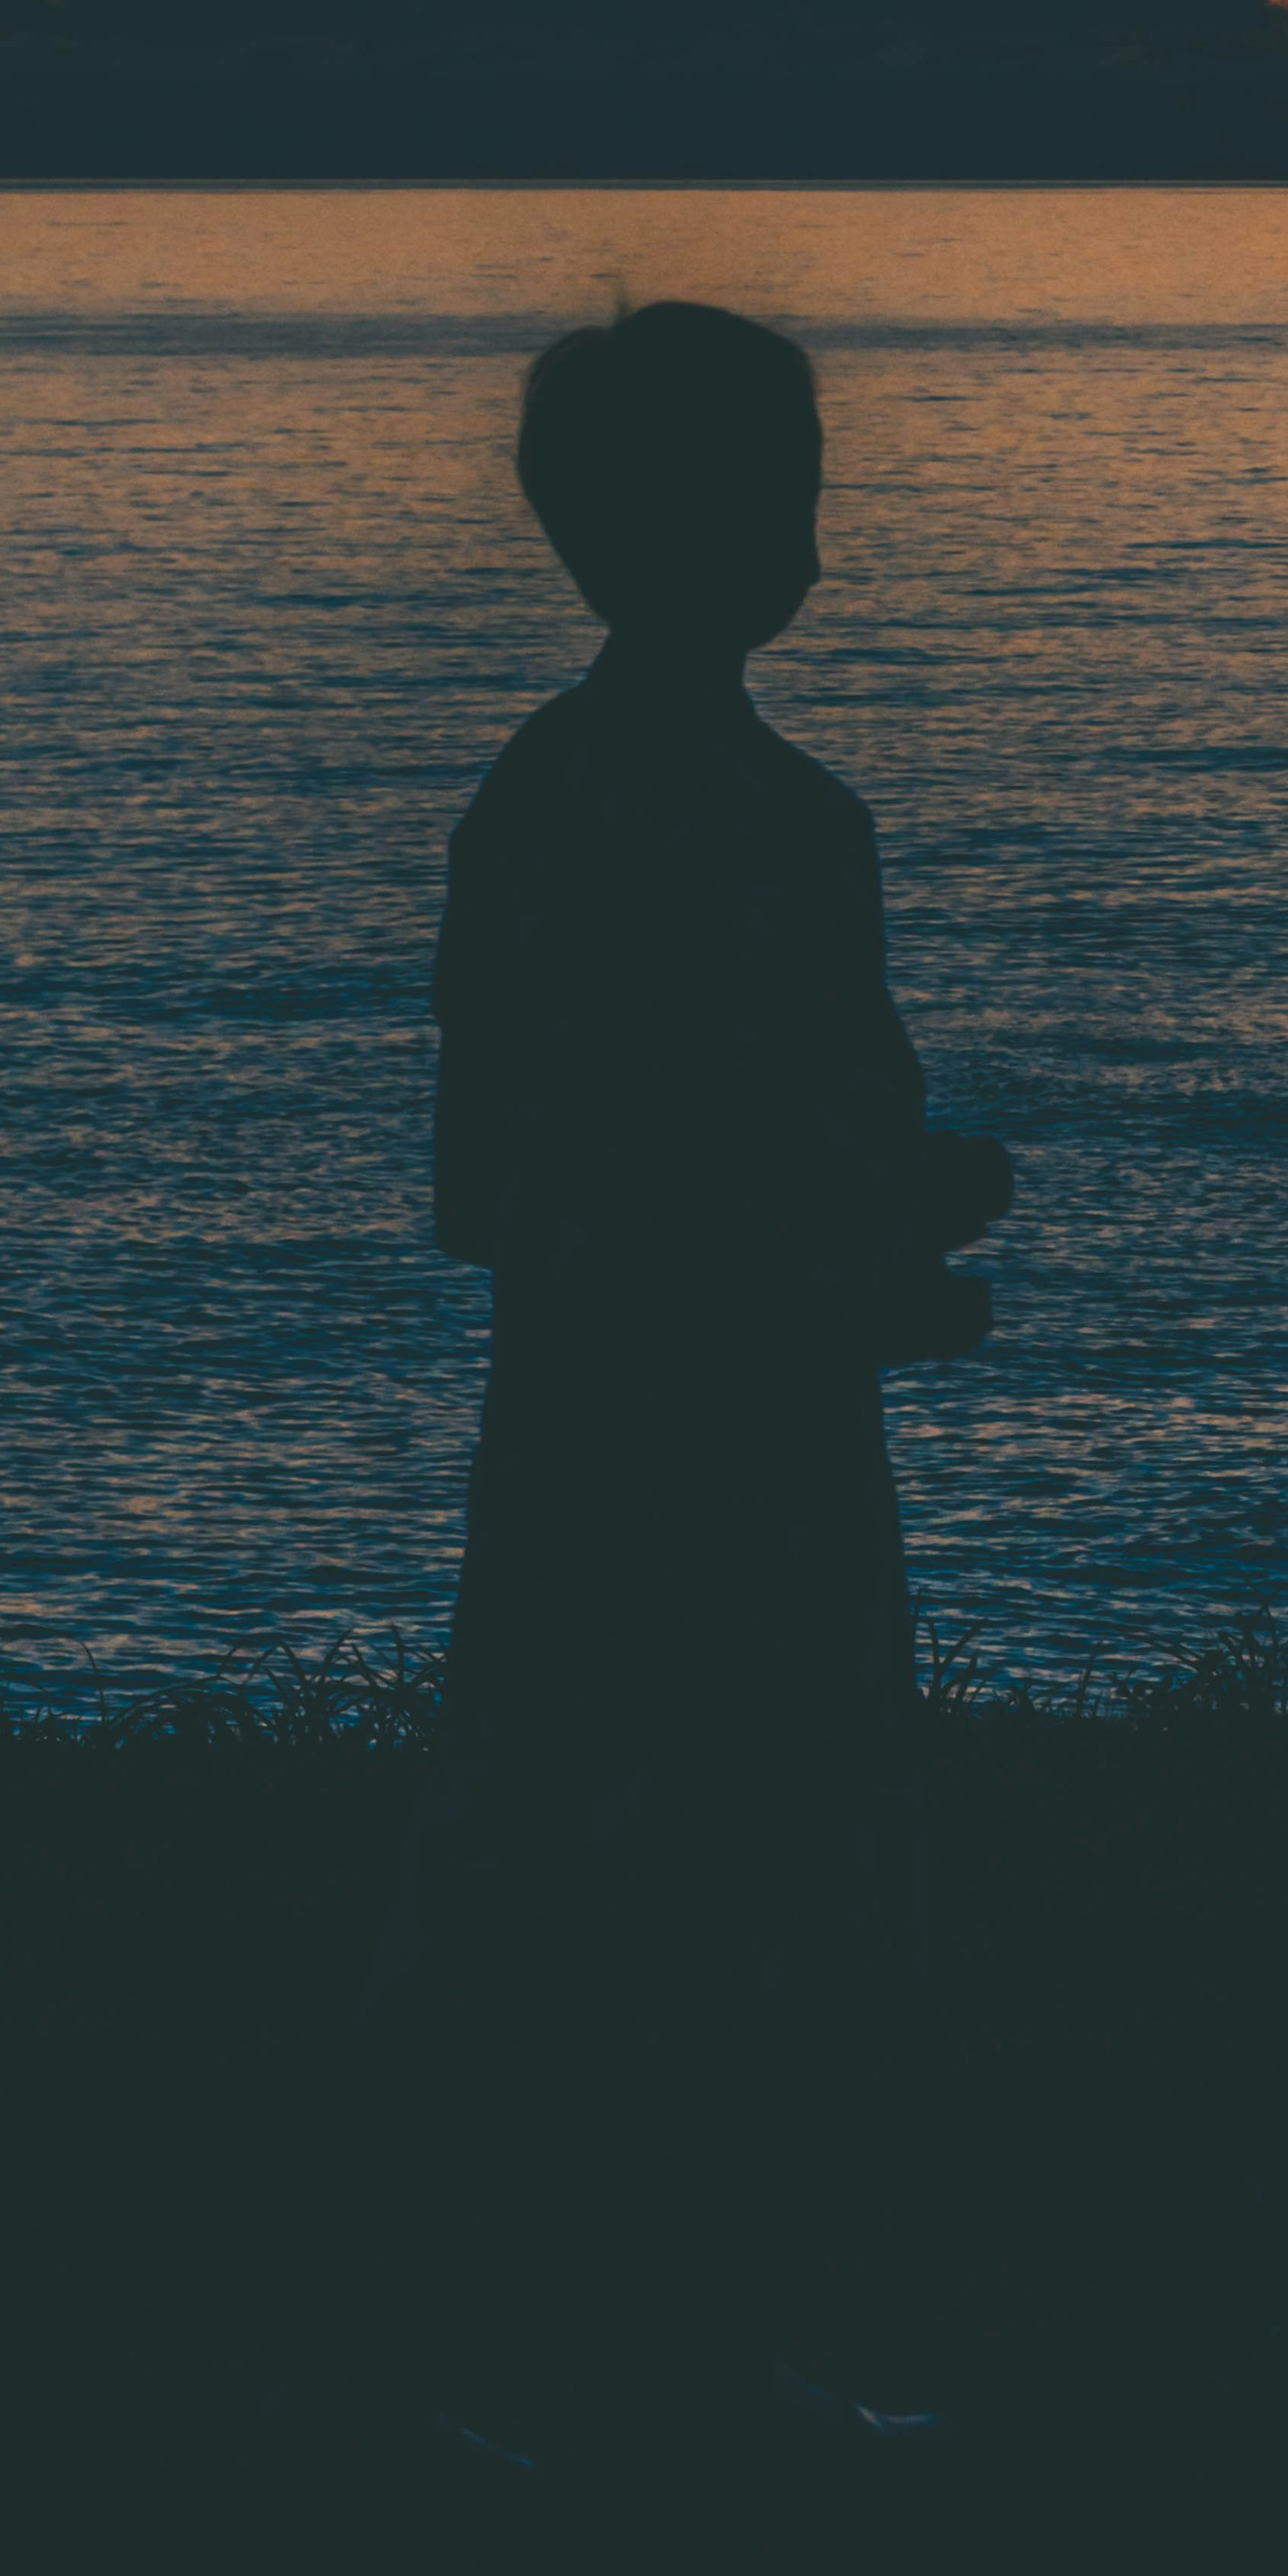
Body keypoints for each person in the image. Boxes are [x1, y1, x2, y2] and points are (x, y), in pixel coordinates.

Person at [395, 295, 1009, 2464]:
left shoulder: (537, 799)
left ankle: (585, 2350)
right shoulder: (771, 821)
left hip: (578, 1428)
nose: (814, 539)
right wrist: (876, 1245)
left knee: (591, 1874)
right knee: (761, 1875)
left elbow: (499, 1180)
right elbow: (743, 1169)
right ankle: (702, 2373)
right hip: (732, 1445)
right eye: (789, 495)